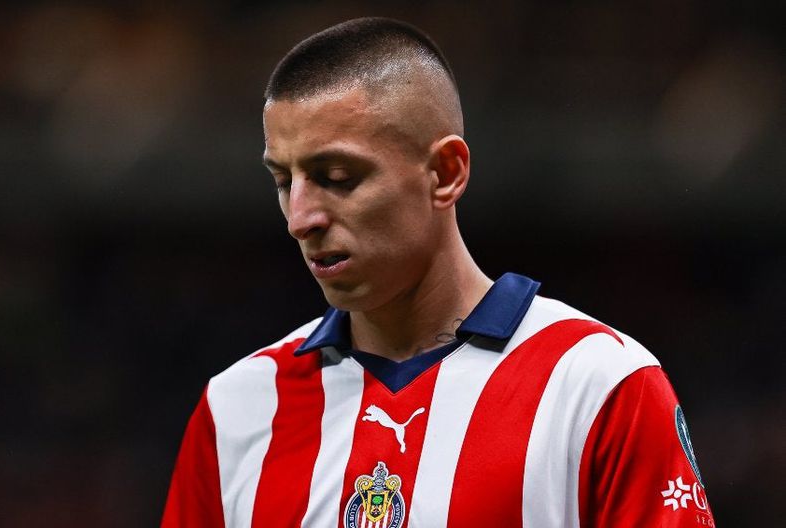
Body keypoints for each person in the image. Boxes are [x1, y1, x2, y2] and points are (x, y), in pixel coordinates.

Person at [162, 17, 715, 528]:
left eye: (337, 177)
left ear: (446, 173)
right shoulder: (236, 409)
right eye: (285, 183)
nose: (300, 219)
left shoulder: (598, 386)